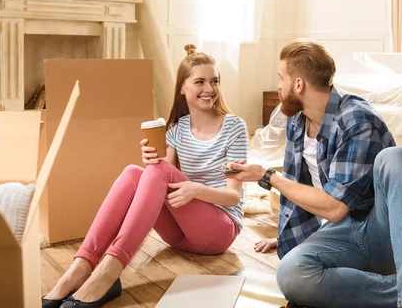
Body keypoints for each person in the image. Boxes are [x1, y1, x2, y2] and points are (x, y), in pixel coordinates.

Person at [228, 40, 402, 308]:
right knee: (291, 274)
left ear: (299, 85)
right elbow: (302, 188)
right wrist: (290, 235)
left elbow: (335, 207)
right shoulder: (297, 120)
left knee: (397, 157)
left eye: (281, 78)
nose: (278, 86)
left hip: (378, 228)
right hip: (342, 236)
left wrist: (269, 177)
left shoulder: (357, 120)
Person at [43, 44, 249, 308]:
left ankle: (108, 272)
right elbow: (162, 177)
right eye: (200, 82)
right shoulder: (177, 129)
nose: (209, 89)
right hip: (179, 236)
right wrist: (152, 160)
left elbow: (233, 196)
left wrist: (195, 189)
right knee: (133, 172)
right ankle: (81, 266)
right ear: (182, 88)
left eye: (214, 81)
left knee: (155, 171)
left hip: (219, 229)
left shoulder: (234, 127)